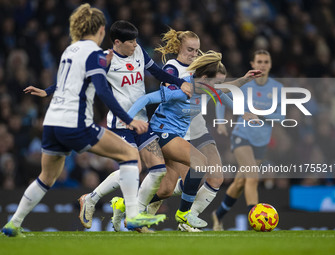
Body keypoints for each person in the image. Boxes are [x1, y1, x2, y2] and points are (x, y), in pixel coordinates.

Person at [1, 4, 165, 237]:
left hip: (52, 122)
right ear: (100, 30)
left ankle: (13, 223)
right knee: (129, 157)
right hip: (75, 123)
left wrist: (47, 92)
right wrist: (129, 119)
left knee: (46, 177)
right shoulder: (94, 54)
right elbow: (104, 92)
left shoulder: (71, 50)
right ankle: (132, 216)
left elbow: (72, 79)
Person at [24, 20, 192, 232]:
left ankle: (135, 212)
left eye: (135, 40)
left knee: (158, 171)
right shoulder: (105, 60)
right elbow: (77, 80)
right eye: (130, 41)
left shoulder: (139, 51)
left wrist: (180, 83)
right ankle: (92, 199)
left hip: (141, 122)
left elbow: (158, 73)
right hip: (120, 124)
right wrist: (47, 91)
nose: (135, 44)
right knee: (135, 167)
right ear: (117, 42)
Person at [126, 50, 261, 230]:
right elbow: (147, 98)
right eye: (216, 82)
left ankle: (125, 207)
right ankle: (184, 213)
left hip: (175, 137)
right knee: (200, 163)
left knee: (166, 189)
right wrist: (128, 118)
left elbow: (225, 94)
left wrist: (243, 111)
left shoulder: (206, 89)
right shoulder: (182, 90)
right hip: (161, 133)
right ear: (204, 78)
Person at [212, 49, 284, 231]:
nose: (262, 65)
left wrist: (261, 114)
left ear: (270, 65)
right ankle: (257, 219)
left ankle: (218, 214)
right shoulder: (245, 84)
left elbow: (281, 117)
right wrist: (221, 122)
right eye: (259, 61)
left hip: (261, 142)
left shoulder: (277, 88)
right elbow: (221, 98)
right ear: (252, 64)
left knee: (240, 182)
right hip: (241, 136)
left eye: (266, 62)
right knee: (252, 176)